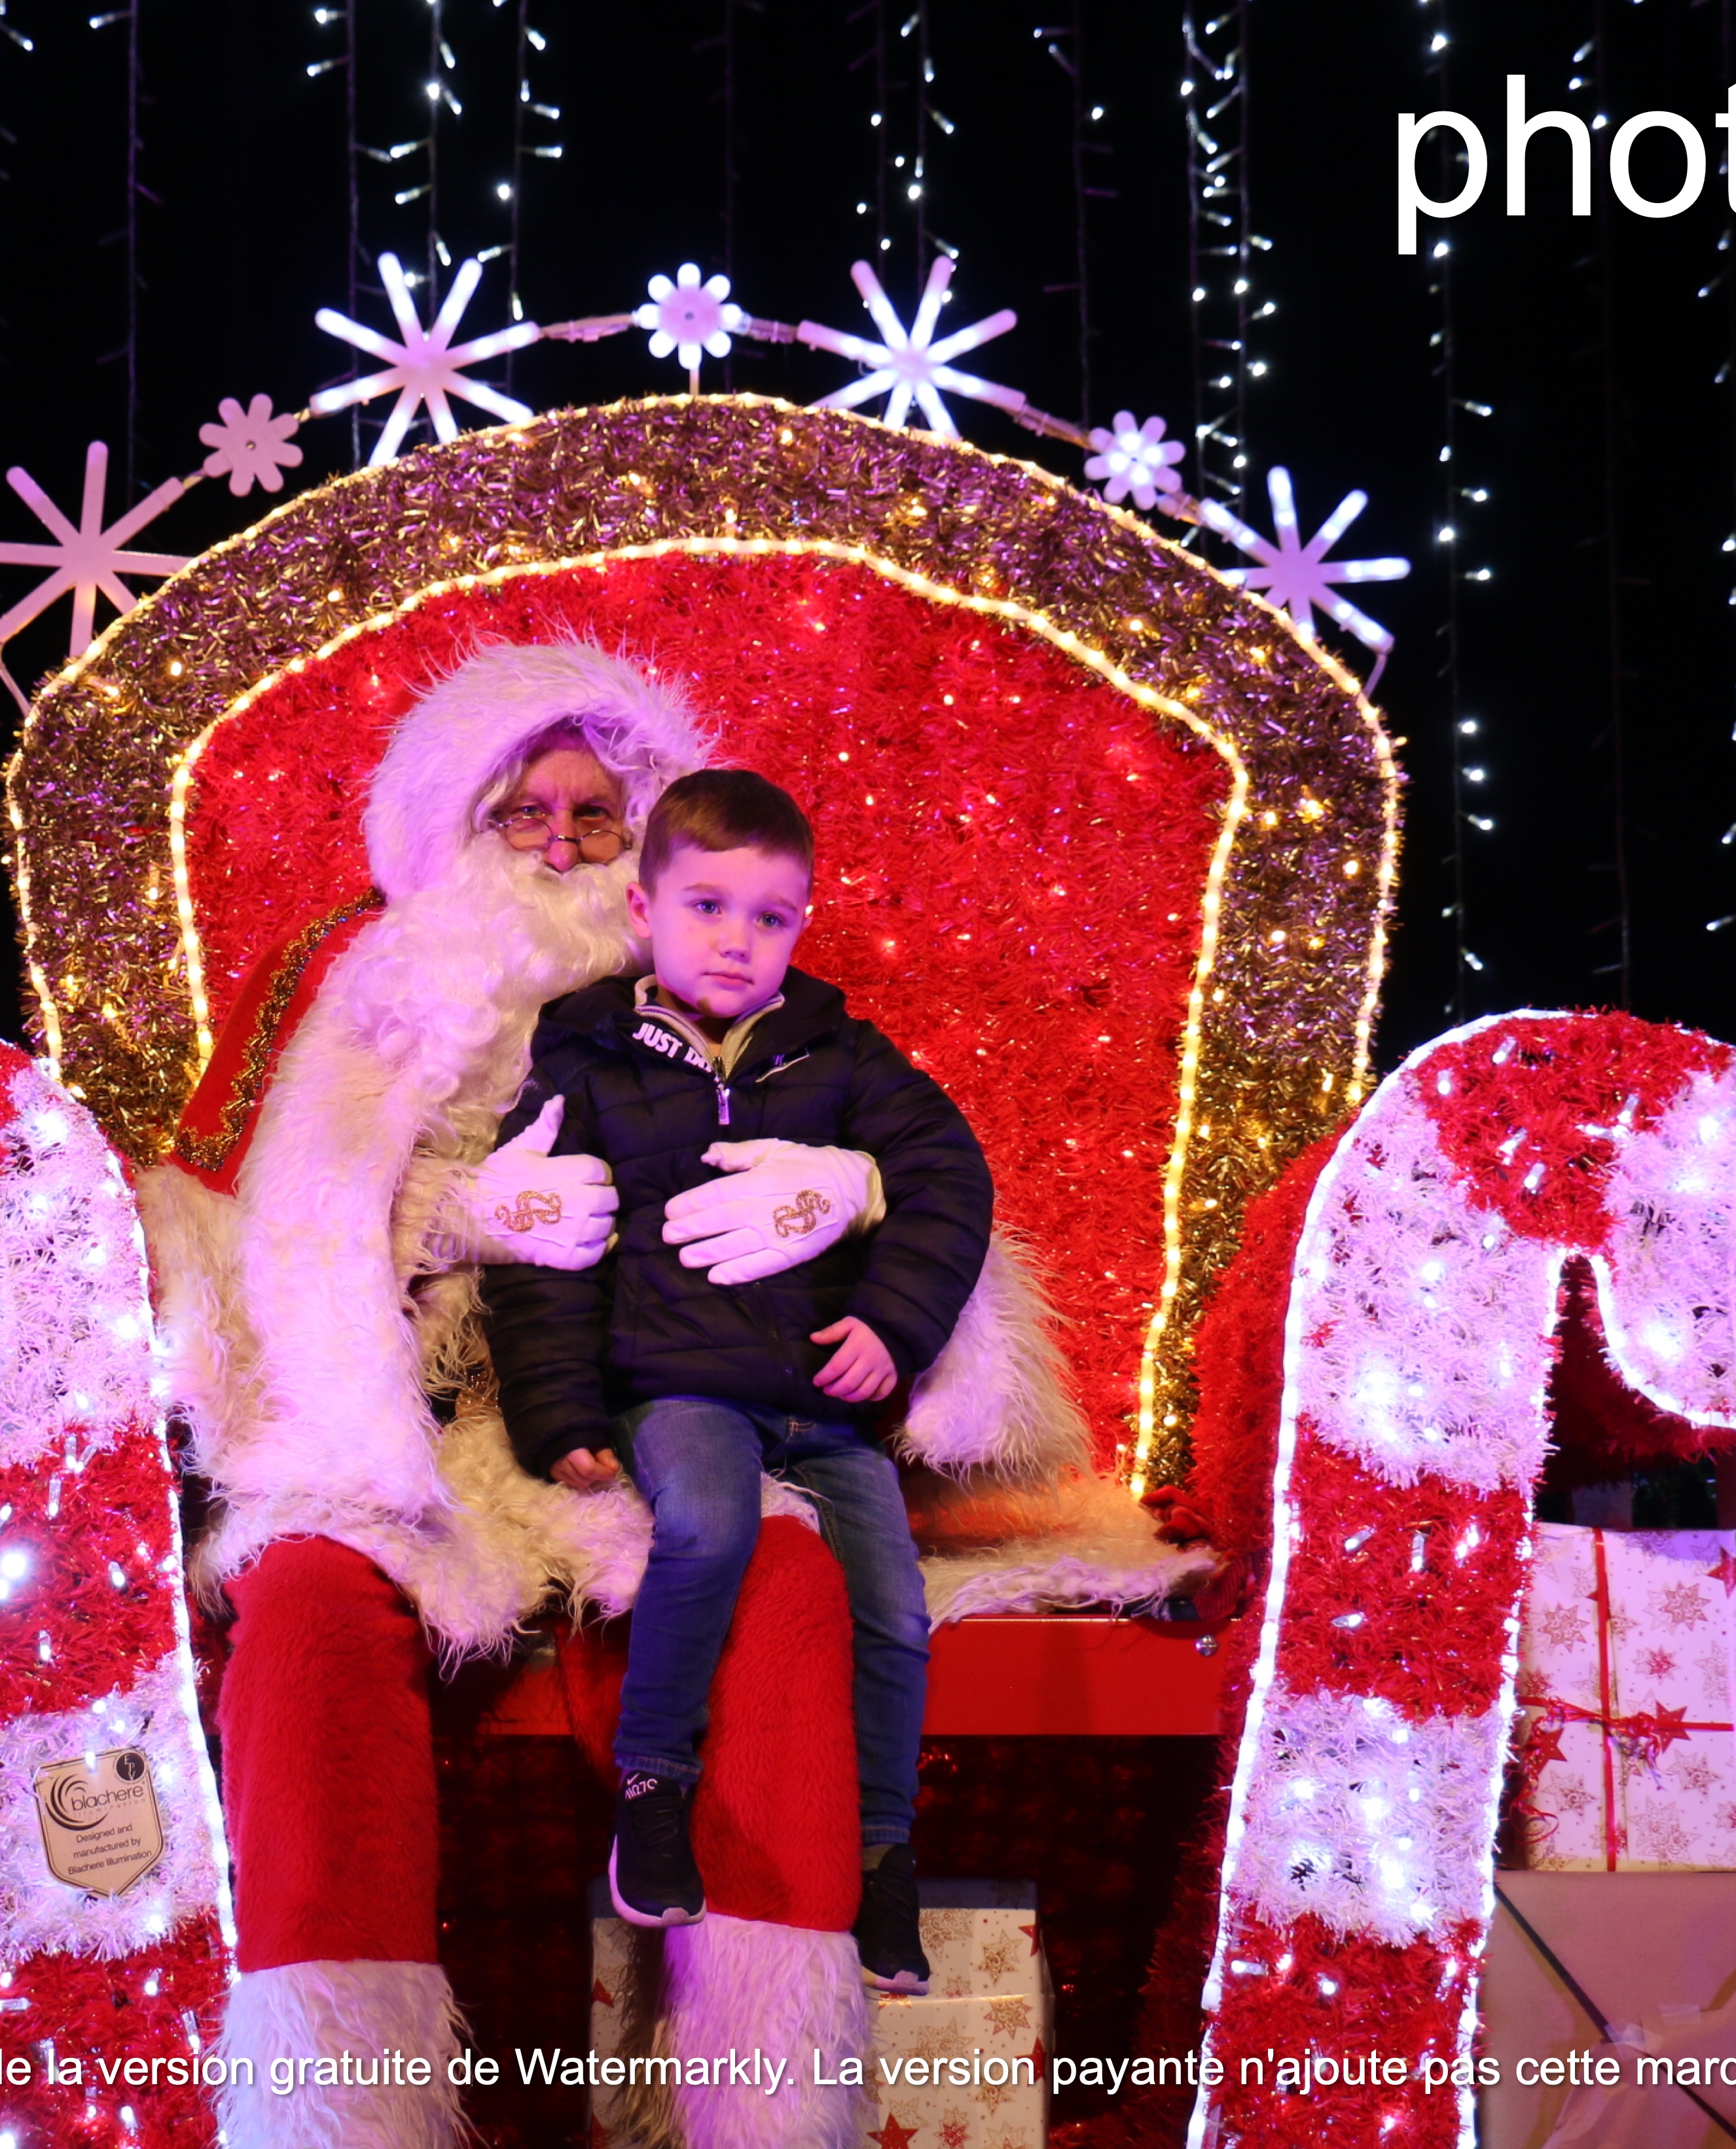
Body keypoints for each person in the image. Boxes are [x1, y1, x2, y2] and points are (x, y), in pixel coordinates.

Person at [134, 642, 1091, 2148]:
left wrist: (838, 1192)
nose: (563, 845)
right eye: (525, 814)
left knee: (783, 1581)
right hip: (397, 1440)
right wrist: (459, 1216)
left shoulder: (724, 984)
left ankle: (770, 2112)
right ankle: (335, 2114)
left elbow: (912, 1164)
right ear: (460, 825)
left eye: (596, 815)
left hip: (648, 1415)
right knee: (308, 1614)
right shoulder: (352, 987)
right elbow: (261, 1238)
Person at [482, 769, 988, 1995]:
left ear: (801, 924)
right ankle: (653, 1787)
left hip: (821, 1401)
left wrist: (893, 1323)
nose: (736, 940)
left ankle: (883, 1855)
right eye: (706, 907)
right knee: (706, 1528)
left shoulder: (839, 1051)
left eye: (770, 917)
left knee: (894, 1610)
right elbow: (543, 1251)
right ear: (644, 910)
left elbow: (949, 1177)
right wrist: (560, 1411)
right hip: (678, 1388)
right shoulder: (584, 1055)